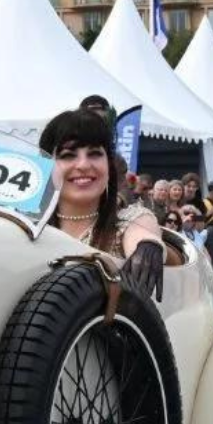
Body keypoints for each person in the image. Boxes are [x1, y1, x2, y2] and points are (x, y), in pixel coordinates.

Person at [39, 106, 164, 300]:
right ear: (46, 165)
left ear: (109, 165)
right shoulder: (29, 225)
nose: (83, 165)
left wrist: (148, 248)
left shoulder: (126, 222)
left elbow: (144, 234)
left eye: (95, 154)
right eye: (68, 155)